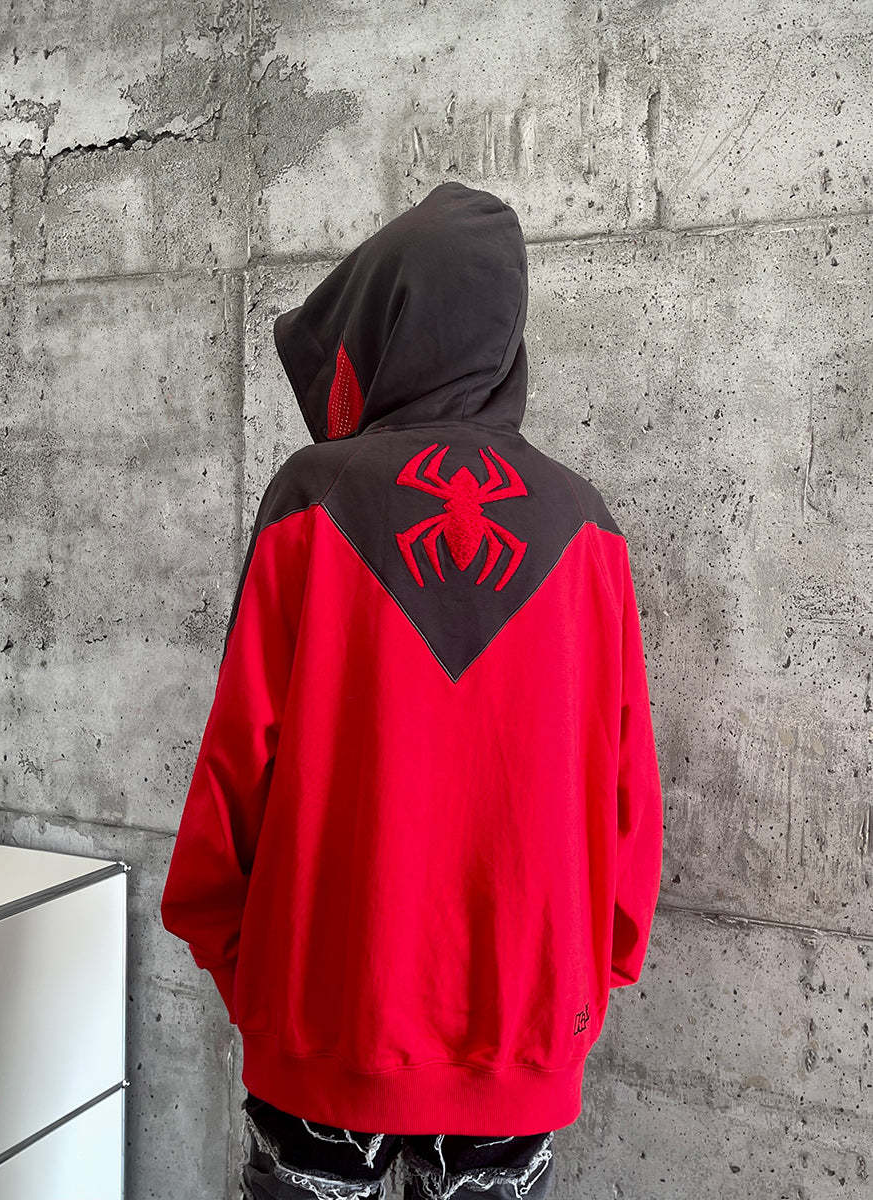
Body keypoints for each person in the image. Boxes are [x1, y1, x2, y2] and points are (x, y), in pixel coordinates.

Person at [160, 180, 664, 1200]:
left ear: (389, 323)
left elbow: (236, 758)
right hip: (522, 1015)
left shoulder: (313, 499)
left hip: (325, 1010)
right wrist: (584, 975)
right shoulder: (588, 526)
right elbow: (628, 789)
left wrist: (245, 964)